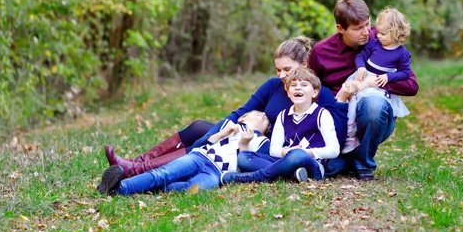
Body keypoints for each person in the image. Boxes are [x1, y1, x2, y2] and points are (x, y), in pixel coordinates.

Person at [103, 37, 349, 178]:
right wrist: (221, 130)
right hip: (244, 136)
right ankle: (137, 163)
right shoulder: (274, 86)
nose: (283, 75)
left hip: (262, 151)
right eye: (278, 69)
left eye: (288, 69)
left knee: (203, 141)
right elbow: (241, 111)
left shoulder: (316, 92)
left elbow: (334, 131)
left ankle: (135, 170)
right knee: (199, 127)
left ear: (304, 64)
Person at [308, 0, 419, 180]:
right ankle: (348, 159)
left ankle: (363, 162)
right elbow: (311, 91)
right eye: (358, 28)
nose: (366, 32)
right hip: (338, 120)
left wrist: (371, 81)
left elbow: (411, 85)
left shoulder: (383, 37)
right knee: (328, 169)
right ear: (340, 28)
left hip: (375, 118)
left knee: (373, 104)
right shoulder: (321, 52)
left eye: (367, 24)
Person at [97, 111, 270, 196]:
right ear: (242, 118)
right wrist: (222, 134)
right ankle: (120, 189)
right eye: (257, 113)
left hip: (216, 172)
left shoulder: (262, 142)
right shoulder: (229, 125)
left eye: (266, 120)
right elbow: (202, 143)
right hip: (199, 156)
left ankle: (151, 187)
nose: (263, 114)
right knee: (162, 173)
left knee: (193, 190)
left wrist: (244, 144)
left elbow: (247, 164)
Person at [221, 68, 340, 184]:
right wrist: (287, 151)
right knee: (244, 157)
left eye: (304, 85)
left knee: (298, 155)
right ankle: (293, 175)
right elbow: (274, 150)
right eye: (293, 85)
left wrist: (307, 152)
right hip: (287, 159)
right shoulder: (283, 116)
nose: (298, 87)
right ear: (288, 92)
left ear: (315, 92)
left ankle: (253, 177)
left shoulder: (322, 114)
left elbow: (334, 150)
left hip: (313, 164)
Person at [342, 8, 412, 153]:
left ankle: (362, 143)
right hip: (364, 76)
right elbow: (360, 56)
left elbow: (405, 73)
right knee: (351, 99)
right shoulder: (374, 44)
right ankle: (349, 132)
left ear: (396, 33)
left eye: (383, 33)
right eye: (378, 32)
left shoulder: (403, 54)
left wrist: (388, 77)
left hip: (380, 85)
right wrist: (360, 67)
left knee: (374, 107)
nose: (377, 35)